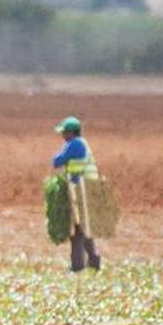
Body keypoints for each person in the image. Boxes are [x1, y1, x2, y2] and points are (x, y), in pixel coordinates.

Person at [51, 116, 101, 272]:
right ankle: (89, 261)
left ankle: (79, 264)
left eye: (64, 133)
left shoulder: (75, 144)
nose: (63, 136)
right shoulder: (81, 143)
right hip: (84, 188)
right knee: (81, 227)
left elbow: (57, 161)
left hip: (81, 189)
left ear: (71, 133)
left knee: (78, 228)